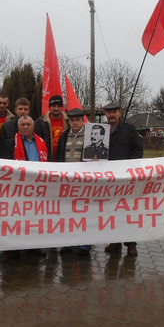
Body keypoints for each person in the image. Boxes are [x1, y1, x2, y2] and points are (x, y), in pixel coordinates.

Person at [1, 115, 48, 258]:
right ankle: (13, 248)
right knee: (15, 218)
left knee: (33, 219)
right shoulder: (9, 144)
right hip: (16, 188)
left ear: (33, 127)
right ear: (18, 127)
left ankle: (32, 246)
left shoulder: (42, 142)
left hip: (36, 188)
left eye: (28, 124)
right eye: (23, 125)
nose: (26, 127)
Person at [102, 102, 144, 257]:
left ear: (119, 113)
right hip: (109, 179)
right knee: (112, 211)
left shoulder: (129, 130)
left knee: (128, 211)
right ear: (106, 115)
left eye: (114, 112)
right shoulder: (102, 131)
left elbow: (138, 150)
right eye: (109, 112)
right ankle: (114, 241)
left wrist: (130, 168)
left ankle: (131, 244)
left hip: (127, 179)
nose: (111, 115)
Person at [56, 108, 92, 256]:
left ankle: (84, 244)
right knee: (67, 213)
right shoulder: (64, 136)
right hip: (67, 182)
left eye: (77, 120)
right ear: (69, 121)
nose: (75, 122)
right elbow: (59, 157)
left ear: (82, 120)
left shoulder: (90, 136)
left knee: (85, 213)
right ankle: (67, 242)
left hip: (85, 182)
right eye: (72, 120)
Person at [34, 95, 68, 161]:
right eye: (53, 106)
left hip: (63, 159)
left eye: (58, 106)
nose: (56, 109)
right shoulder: (41, 122)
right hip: (47, 159)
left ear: (62, 107)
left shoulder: (68, 121)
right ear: (49, 107)